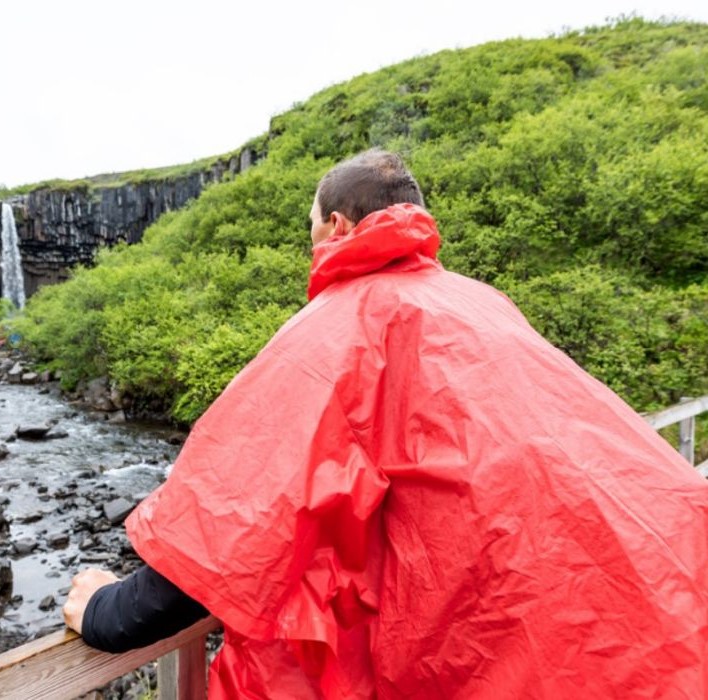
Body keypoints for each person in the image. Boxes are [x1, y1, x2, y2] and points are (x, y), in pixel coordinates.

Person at [64, 149, 708, 698]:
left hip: (534, 657)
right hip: (662, 617)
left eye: (310, 226)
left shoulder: (341, 329)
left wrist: (107, 611)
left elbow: (234, 525)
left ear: (337, 227)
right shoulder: (480, 302)